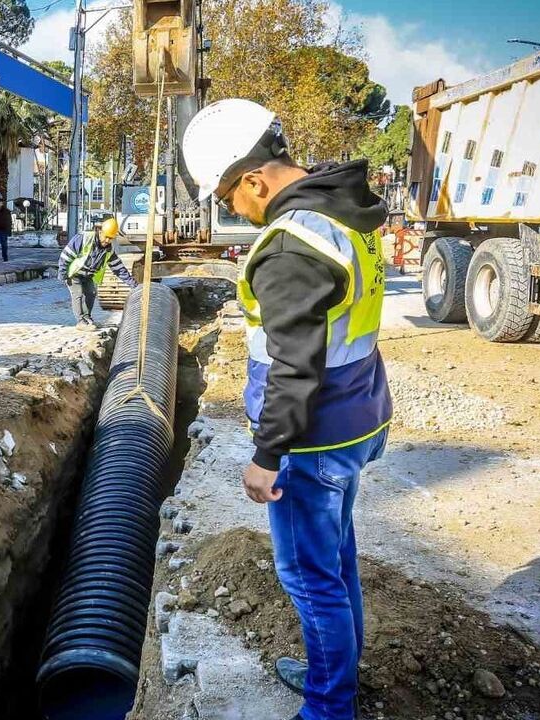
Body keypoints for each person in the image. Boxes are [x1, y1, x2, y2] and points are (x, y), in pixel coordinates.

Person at [180, 98, 392, 720]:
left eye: (228, 196)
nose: (231, 209)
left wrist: (267, 456)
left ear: (254, 179)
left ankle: (329, 707)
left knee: (308, 576)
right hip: (356, 414)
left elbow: (294, 367)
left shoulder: (290, 246)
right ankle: (336, 676)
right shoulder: (342, 213)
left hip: (312, 439)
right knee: (336, 558)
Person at [57, 217, 137, 330]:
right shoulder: (84, 238)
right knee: (78, 294)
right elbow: (66, 255)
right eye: (106, 237)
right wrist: (63, 273)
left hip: (88, 275)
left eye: (111, 238)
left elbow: (119, 268)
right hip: (74, 273)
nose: (107, 240)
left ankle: (87, 318)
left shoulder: (109, 251)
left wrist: (133, 284)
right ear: (100, 232)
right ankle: (81, 322)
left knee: (91, 293)